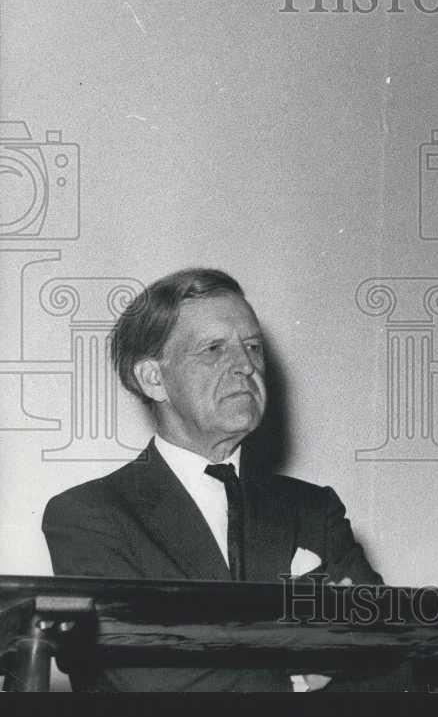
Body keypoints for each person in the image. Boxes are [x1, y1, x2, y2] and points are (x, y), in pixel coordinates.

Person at [43, 268, 382, 691]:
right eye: (214, 349)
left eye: (253, 346)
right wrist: (300, 672)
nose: (245, 365)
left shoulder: (314, 509)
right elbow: (150, 677)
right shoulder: (90, 516)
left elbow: (385, 655)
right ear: (154, 379)